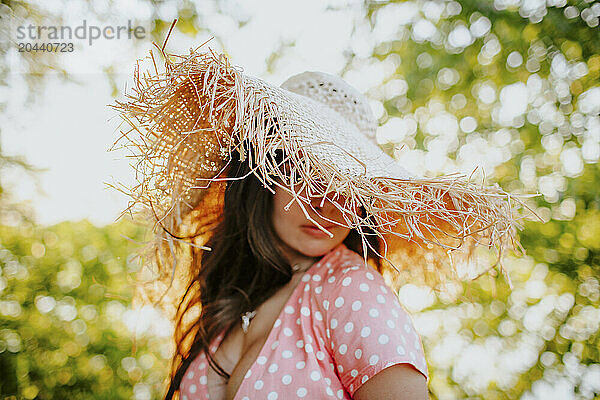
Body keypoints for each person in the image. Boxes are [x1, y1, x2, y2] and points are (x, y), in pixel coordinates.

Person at [110, 41, 524, 400]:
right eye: (303, 173)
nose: (325, 203)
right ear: (262, 178)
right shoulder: (231, 308)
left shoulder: (349, 286)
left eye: (347, 186)